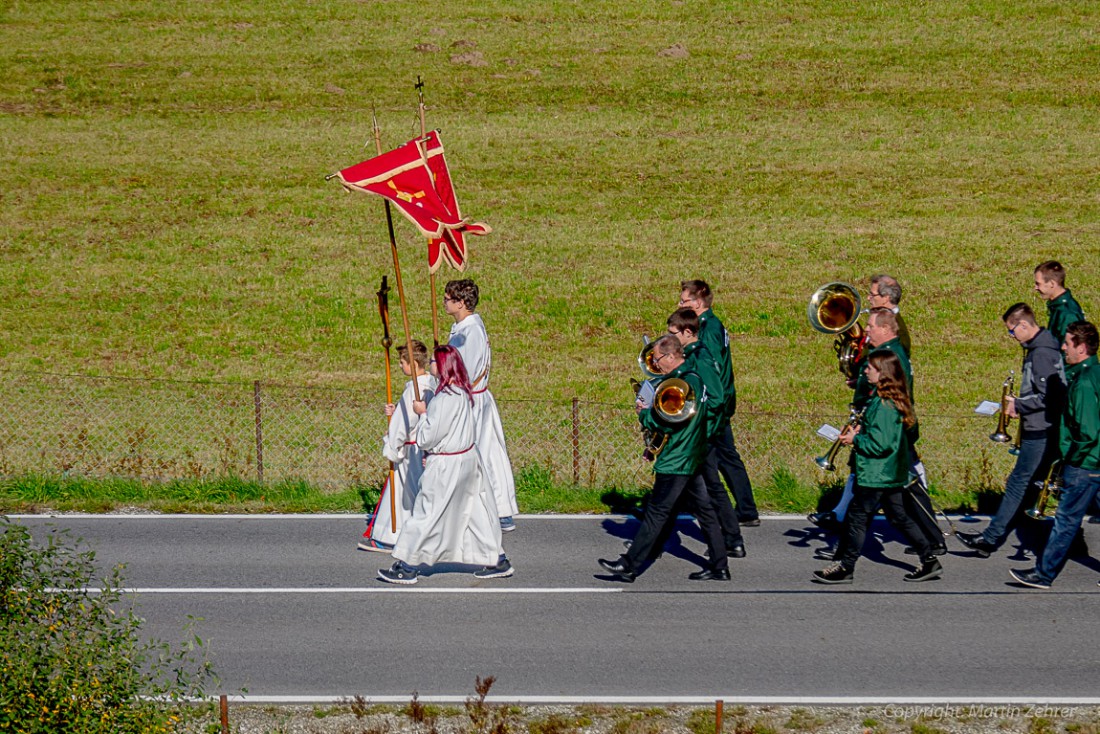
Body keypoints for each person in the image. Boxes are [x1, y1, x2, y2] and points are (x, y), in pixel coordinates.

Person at [810, 309, 946, 557]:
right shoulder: (883, 367)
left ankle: (845, 561)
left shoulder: (889, 374)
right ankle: (929, 554)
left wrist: (857, 438)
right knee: (895, 514)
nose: (867, 330)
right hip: (881, 462)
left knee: (868, 512)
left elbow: (883, 438)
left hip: (879, 467)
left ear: (885, 329)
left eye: (871, 326)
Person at [598, 335, 729, 582]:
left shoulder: (677, 385)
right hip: (694, 454)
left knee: (657, 513)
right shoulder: (695, 379)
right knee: (705, 511)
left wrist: (644, 415)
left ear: (671, 356)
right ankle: (720, 566)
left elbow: (667, 422)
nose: (656, 364)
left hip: (677, 459)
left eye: (658, 358)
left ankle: (629, 566)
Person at [378, 345, 512, 585]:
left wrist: (423, 413)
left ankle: (407, 566)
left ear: (442, 366)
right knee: (475, 512)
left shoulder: (444, 398)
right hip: (469, 461)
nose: (430, 364)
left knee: (426, 512)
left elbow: (428, 436)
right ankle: (497, 558)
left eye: (433, 361)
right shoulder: (462, 392)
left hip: (447, 464)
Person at [956, 304, 1065, 557]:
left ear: (1024, 324)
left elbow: (1050, 396)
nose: (1011, 336)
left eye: (1012, 331)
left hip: (1041, 430)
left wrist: (1018, 404)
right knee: (1033, 486)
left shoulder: (1041, 353)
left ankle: (990, 539)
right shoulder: (1041, 348)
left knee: (1019, 483)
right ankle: (1006, 536)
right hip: (1041, 427)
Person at [1010, 321, 1100, 589]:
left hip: (1085, 464)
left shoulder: (1083, 383)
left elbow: (1087, 432)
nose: (1063, 347)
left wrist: (1068, 461)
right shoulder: (1095, 372)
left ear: (1081, 347)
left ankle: (1044, 574)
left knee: (1065, 520)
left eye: (1068, 343)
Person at [678, 279, 760, 525]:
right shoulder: (710, 325)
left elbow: (710, 368)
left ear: (699, 302)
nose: (679, 304)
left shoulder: (709, 329)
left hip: (715, 404)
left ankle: (738, 512)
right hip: (719, 403)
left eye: (684, 301)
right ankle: (745, 510)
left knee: (715, 459)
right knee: (724, 457)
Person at [666, 308, 745, 557]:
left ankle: (732, 541)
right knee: (695, 490)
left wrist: (702, 428)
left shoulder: (700, 357)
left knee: (712, 489)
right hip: (697, 435)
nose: (670, 337)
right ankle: (731, 541)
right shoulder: (692, 355)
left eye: (673, 333)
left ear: (688, 333)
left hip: (702, 435)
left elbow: (716, 397)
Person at [444, 279, 519, 532]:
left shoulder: (470, 332)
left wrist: (440, 370)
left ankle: (497, 510)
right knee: (480, 452)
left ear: (462, 303)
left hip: (471, 399)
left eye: (448, 298)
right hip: (471, 397)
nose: (444, 302)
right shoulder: (463, 327)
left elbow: (464, 368)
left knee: (482, 452)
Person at [359, 340, 436, 553]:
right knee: (419, 493)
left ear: (412, 364)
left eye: (402, 362)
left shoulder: (414, 389)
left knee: (402, 495)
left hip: (410, 450)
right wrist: (395, 414)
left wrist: (392, 445)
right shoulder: (432, 383)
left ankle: (391, 536)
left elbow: (405, 424)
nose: (400, 367)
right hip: (425, 447)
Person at [1034, 261, 1085, 345]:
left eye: (1038, 284)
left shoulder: (1067, 314)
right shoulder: (1058, 307)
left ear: (1052, 284)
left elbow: (1070, 351)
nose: (1035, 288)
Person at [867, 274, 911, 357]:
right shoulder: (884, 319)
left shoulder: (898, 334)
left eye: (872, 295)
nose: (868, 298)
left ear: (886, 298)